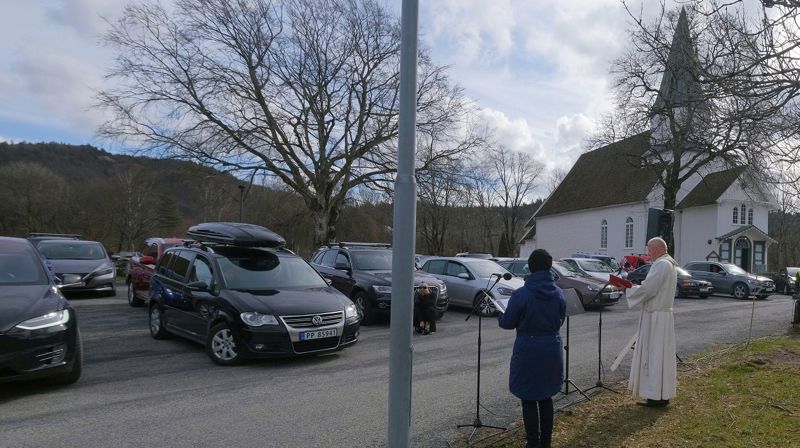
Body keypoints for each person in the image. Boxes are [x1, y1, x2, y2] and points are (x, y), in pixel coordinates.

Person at [498, 249, 565, 448]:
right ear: (548, 267)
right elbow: (560, 319)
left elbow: (508, 322)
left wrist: (500, 315)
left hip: (529, 349)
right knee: (546, 396)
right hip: (552, 348)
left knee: (528, 397)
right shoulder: (559, 293)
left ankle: (533, 443)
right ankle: (546, 442)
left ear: (532, 267)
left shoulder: (522, 293)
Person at [625, 237, 678, 407]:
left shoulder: (662, 264)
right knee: (659, 356)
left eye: (649, 249)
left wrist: (628, 288)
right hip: (661, 316)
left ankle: (656, 396)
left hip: (657, 317)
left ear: (655, 249)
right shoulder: (668, 264)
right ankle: (660, 394)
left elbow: (649, 288)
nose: (648, 253)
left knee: (654, 355)